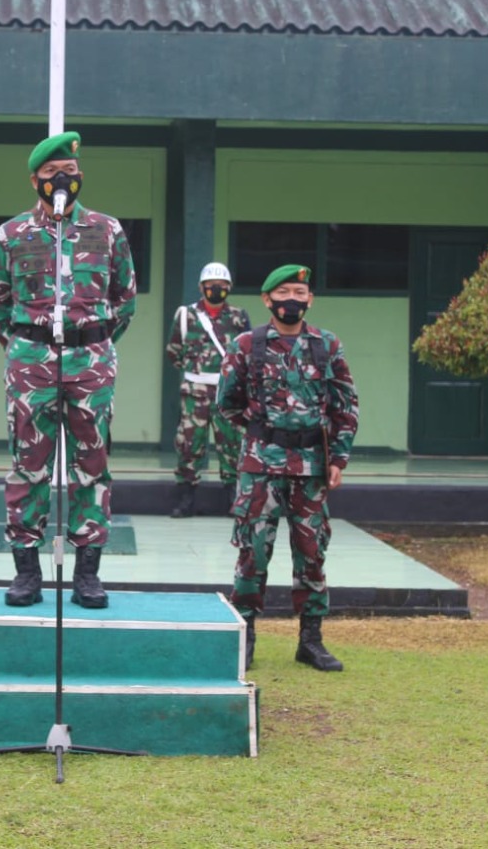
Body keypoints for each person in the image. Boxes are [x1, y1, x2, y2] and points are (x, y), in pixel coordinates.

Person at [0, 130, 138, 609]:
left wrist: (88, 346)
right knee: (28, 465)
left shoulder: (107, 231)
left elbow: (125, 300)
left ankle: (87, 575)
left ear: (80, 176)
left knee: (91, 465)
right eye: (50, 173)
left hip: (90, 362)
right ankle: (26, 572)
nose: (60, 180)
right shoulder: (11, 235)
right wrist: (30, 349)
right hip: (30, 362)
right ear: (34, 179)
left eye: (68, 173)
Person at [217, 264, 359, 672]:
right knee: (252, 553)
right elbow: (227, 403)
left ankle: (310, 641)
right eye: (283, 293)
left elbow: (345, 406)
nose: (292, 300)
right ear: (267, 300)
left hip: (312, 468)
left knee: (312, 553)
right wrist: (264, 435)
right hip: (260, 467)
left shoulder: (327, 346)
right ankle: (244, 637)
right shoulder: (246, 345)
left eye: (300, 292)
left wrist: (339, 458)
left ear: (310, 299)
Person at [165, 261, 252, 518]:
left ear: (229, 288)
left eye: (222, 286)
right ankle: (185, 499)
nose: (217, 289)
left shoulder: (238, 316)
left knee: (232, 445)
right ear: (202, 287)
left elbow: (245, 352)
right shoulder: (186, 315)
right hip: (194, 391)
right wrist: (196, 373)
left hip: (227, 392)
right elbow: (174, 351)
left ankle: (234, 498)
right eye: (211, 285)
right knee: (189, 444)